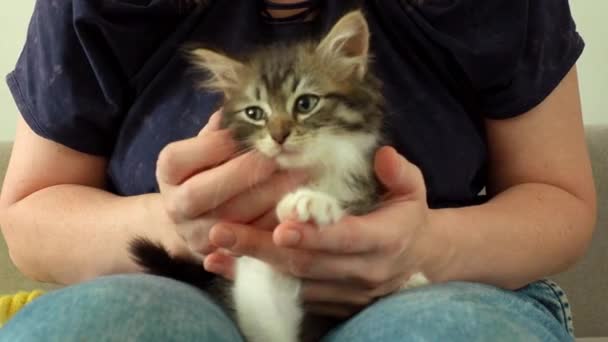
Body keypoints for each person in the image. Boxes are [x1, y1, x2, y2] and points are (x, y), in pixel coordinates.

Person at [0, 0, 596, 341]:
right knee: (108, 327)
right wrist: (185, 227)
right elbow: (29, 217)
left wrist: (426, 248)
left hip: (438, 287)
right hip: (190, 283)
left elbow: (561, 197)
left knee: (442, 334)